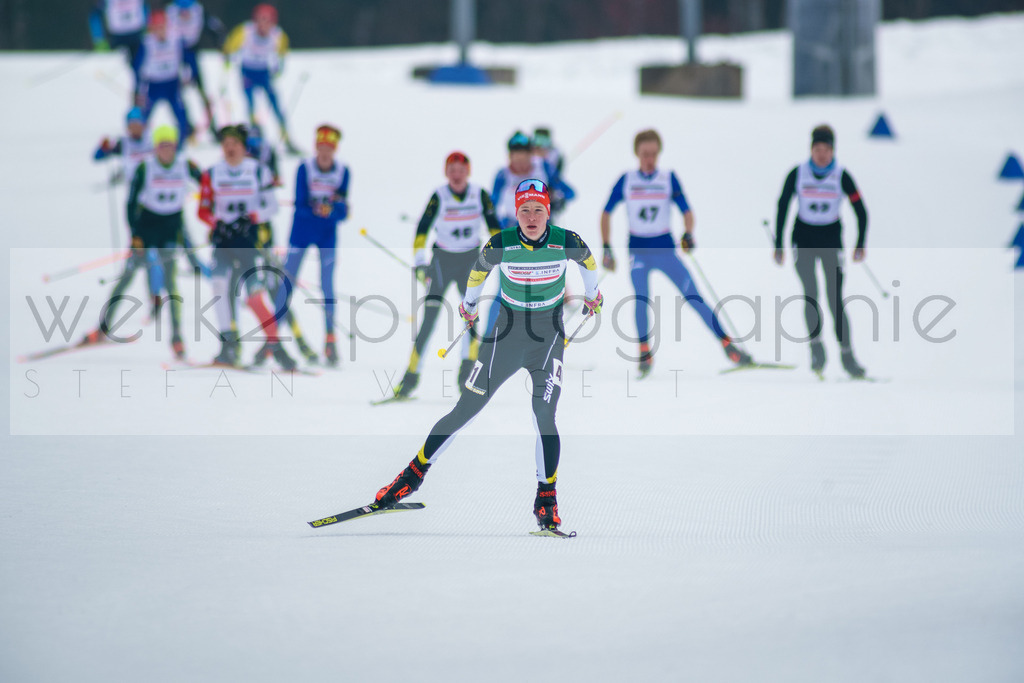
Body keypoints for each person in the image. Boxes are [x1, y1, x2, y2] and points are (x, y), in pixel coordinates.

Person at [369, 179, 603, 534]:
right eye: (524, 210)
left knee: (544, 413)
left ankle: (546, 499)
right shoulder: (502, 243)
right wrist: (469, 305)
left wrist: (593, 292)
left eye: (538, 209)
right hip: (506, 336)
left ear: (548, 212)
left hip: (548, 337)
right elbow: (479, 271)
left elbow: (587, 260)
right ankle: (411, 476)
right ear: (515, 213)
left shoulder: (565, 240)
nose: (531, 217)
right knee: (466, 408)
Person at [601, 129, 751, 377]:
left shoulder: (668, 178)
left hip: (665, 249)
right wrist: (606, 246)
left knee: (693, 296)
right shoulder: (626, 180)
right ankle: (644, 352)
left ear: (659, 153)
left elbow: (687, 211)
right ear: (637, 154)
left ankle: (727, 345)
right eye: (644, 154)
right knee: (640, 298)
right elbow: (606, 212)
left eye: (653, 153)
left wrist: (688, 233)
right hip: (638, 251)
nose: (649, 158)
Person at [392, 151, 501, 399]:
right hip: (442, 261)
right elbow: (422, 230)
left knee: (470, 316)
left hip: (471, 261)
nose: (456, 174)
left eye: (461, 169)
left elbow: (495, 227)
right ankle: (410, 377)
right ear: (446, 172)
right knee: (429, 318)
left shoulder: (480, 195)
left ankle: (467, 373)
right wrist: (420, 263)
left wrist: (499, 254)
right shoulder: (439, 196)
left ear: (468, 172)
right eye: (452, 169)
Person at [83, 125, 200, 357]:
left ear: (175, 146)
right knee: (125, 279)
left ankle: (177, 338)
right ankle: (103, 328)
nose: (166, 150)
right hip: (145, 232)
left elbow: (208, 182)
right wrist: (135, 235)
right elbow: (130, 203)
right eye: (162, 145)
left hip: (170, 232)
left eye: (170, 145)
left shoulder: (185, 165)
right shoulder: (145, 168)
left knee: (171, 283)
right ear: (156, 147)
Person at [197, 123, 295, 369]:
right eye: (226, 145)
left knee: (254, 297)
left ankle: (277, 347)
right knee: (219, 287)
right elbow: (203, 209)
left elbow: (271, 206)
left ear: (243, 147)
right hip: (224, 242)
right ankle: (228, 344)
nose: (230, 149)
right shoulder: (212, 173)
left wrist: (251, 218)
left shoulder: (258, 171)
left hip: (249, 242)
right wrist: (216, 223)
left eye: (235, 145)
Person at [774, 124, 868, 379]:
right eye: (817, 149)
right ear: (811, 149)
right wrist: (778, 243)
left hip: (831, 241)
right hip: (803, 240)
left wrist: (860, 243)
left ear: (833, 150)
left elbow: (861, 210)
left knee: (835, 298)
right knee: (811, 295)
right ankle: (817, 351)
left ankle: (848, 357)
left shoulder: (841, 175)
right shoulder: (798, 173)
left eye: (826, 149)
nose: (822, 154)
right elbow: (783, 205)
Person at [271, 125, 350, 367]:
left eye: (329, 149)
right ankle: (271, 339)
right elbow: (300, 205)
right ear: (316, 147)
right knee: (287, 283)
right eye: (321, 148)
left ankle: (330, 340)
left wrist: (332, 210)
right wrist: (320, 209)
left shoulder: (343, 172)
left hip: (327, 234)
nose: (324, 153)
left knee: (327, 285)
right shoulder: (304, 169)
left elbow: (343, 211)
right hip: (302, 232)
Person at [485, 131, 576, 334]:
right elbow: (490, 208)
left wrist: (556, 197)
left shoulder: (543, 167)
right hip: (512, 237)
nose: (518, 160)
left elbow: (570, 192)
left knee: (545, 289)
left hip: (542, 238)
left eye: (523, 153)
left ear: (530, 153)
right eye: (514, 154)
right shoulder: (503, 175)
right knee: (504, 291)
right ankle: (488, 340)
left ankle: (544, 340)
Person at [222, 4, 297, 153]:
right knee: (251, 107)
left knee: (275, 104)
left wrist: (278, 67)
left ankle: (286, 138)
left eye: (267, 21)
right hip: (247, 72)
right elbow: (229, 47)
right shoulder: (245, 31)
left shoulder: (278, 35)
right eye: (260, 20)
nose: (263, 25)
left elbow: (282, 53)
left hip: (264, 73)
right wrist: (228, 59)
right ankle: (255, 139)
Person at [166, 0, 225, 138]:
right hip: (174, 55)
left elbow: (213, 26)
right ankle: (185, 124)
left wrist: (219, 40)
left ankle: (212, 124)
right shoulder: (171, 10)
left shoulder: (198, 9)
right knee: (177, 92)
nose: (185, 14)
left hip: (192, 53)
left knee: (201, 90)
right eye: (183, 12)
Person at [133, 10, 193, 146]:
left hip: (172, 83)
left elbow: (186, 59)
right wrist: (138, 88)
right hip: (153, 84)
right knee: (144, 116)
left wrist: (188, 74)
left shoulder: (176, 39)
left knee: (180, 114)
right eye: (156, 28)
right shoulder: (147, 42)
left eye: (162, 27)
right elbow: (138, 65)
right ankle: (140, 143)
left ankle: (182, 142)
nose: (159, 31)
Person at [89, 0, 148, 100]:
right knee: (116, 72)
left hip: (136, 37)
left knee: (139, 70)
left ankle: (137, 100)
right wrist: (99, 39)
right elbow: (95, 15)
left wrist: (147, 28)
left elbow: (145, 8)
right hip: (117, 38)